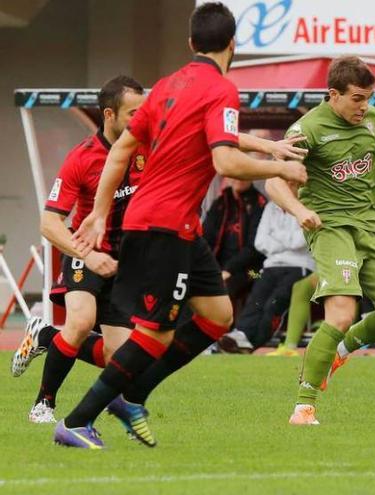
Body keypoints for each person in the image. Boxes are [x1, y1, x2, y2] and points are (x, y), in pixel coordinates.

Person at [55, 2, 308, 449]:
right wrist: (281, 170)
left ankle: (132, 394)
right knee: (155, 333)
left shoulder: (168, 85)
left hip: (176, 225)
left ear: (191, 42)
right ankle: (77, 420)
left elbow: (121, 151)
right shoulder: (222, 90)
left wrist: (97, 211)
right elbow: (224, 159)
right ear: (234, 44)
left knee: (217, 317)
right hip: (163, 225)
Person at [265, 56, 375, 425]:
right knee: (342, 313)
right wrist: (300, 212)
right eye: (358, 99)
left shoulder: (373, 120)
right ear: (333, 95)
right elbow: (273, 182)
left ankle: (341, 350)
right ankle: (304, 406)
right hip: (331, 228)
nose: (365, 107)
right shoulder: (307, 130)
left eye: (368, 98)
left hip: (372, 226)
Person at [10, 76, 146, 424]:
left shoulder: (149, 147)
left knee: (119, 356)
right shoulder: (82, 158)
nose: (140, 119)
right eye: (133, 112)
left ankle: (45, 335)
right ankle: (44, 404)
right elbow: (49, 223)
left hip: (126, 261)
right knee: (82, 322)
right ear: (109, 115)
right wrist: (88, 254)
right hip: (87, 252)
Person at [218, 201, 314, 353]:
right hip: (270, 265)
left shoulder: (309, 204)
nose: (288, 183)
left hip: (300, 265)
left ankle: (255, 344)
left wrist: (275, 234)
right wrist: (287, 241)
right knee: (255, 300)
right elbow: (259, 242)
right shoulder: (270, 207)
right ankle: (241, 335)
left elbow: (300, 241)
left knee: (274, 304)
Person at [202, 178, 267, 309]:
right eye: (236, 174)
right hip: (217, 268)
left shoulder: (260, 204)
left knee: (225, 287)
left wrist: (228, 269)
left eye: (244, 175)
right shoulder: (220, 203)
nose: (239, 179)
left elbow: (254, 248)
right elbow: (205, 240)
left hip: (253, 271)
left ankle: (230, 328)